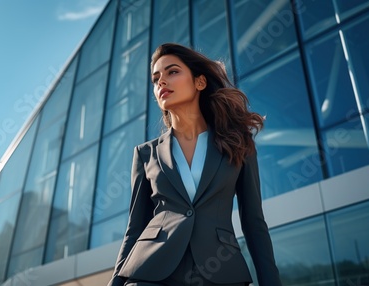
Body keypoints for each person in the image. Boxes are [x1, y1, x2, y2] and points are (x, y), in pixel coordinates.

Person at [107, 43, 282, 286]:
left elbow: (253, 222)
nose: (161, 82)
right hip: (150, 274)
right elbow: (135, 228)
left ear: (200, 82)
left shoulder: (239, 145)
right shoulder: (146, 153)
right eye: (156, 78)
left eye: (172, 72)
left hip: (221, 272)